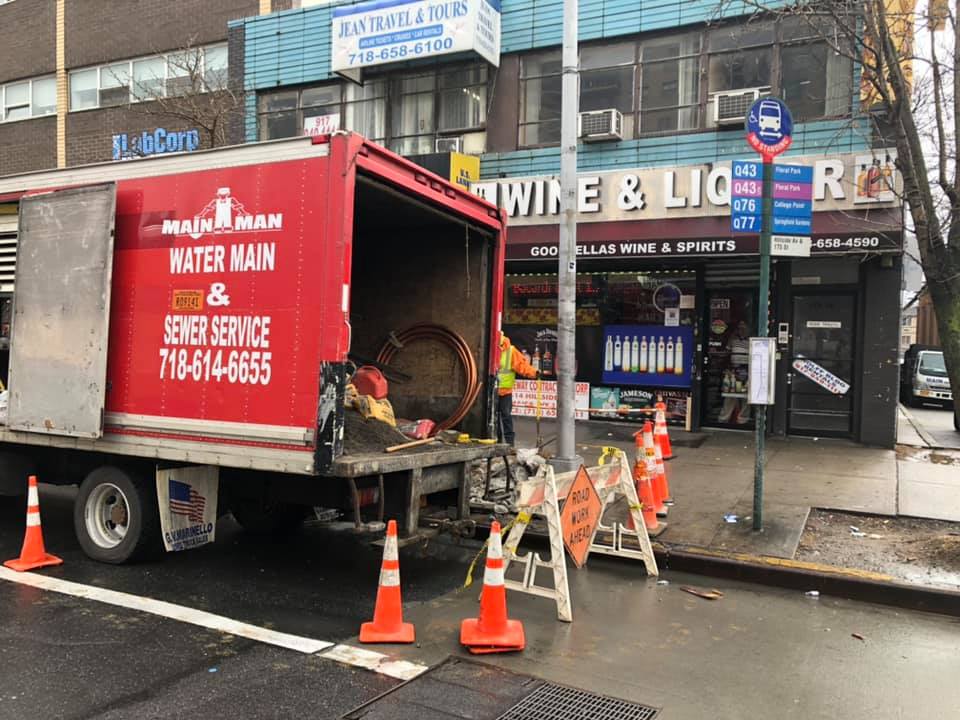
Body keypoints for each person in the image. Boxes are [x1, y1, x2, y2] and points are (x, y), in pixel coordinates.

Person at [497, 332, 538, 446]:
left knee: (505, 416)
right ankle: (497, 441)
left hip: (505, 391)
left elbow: (522, 366)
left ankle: (509, 443)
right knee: (495, 418)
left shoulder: (510, 351)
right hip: (493, 391)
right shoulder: (493, 349)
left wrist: (535, 373)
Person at [717, 320, 751, 424]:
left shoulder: (750, 341)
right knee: (730, 394)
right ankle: (723, 418)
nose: (742, 330)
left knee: (746, 395)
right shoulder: (733, 340)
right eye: (739, 328)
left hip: (746, 370)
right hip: (734, 370)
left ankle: (743, 420)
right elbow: (726, 353)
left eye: (744, 328)